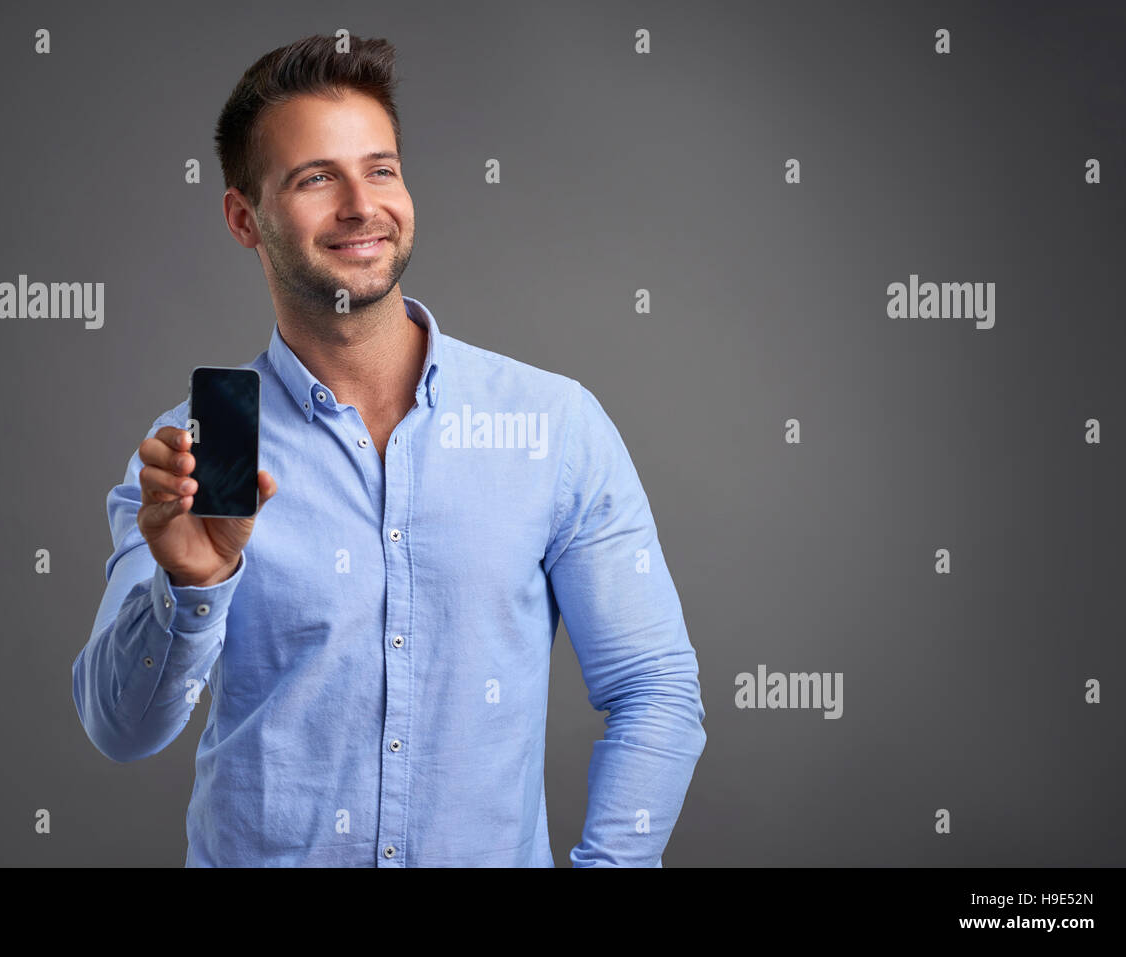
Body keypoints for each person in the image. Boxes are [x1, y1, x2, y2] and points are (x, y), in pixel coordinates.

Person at [72, 33, 706, 867]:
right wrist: (193, 583)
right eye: (314, 178)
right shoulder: (195, 453)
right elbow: (122, 730)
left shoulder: (553, 426)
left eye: (380, 168)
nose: (359, 205)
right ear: (242, 218)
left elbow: (654, 690)